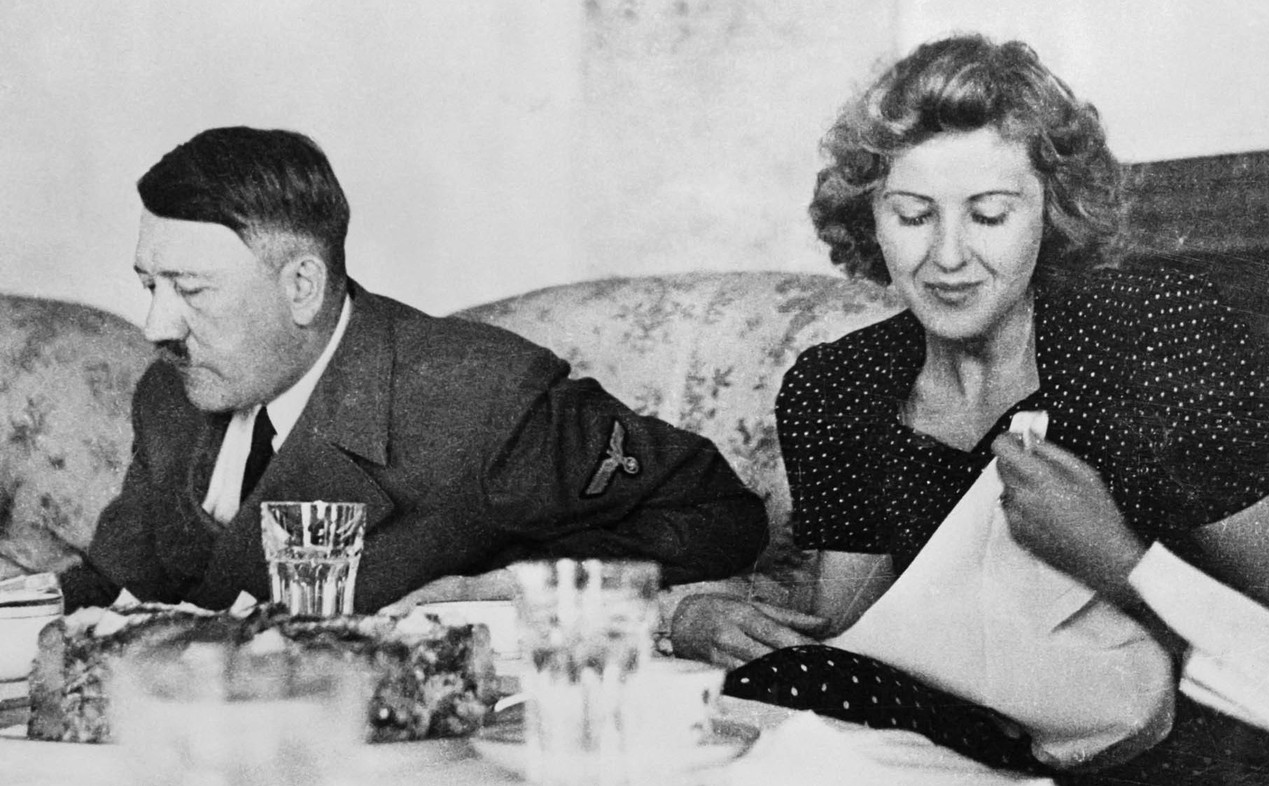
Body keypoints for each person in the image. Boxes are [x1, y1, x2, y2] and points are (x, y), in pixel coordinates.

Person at [671, 35, 1269, 782]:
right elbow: (843, 639)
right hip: (963, 753)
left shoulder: (1153, 338)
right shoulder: (841, 385)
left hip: (1170, 757)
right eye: (914, 215)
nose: (948, 256)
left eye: (989, 214)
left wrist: (1121, 562)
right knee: (758, 707)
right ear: (871, 219)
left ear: (1052, 214)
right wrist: (691, 618)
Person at [58, 126, 768, 615]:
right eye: (148, 285)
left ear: (302, 286)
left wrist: (504, 589)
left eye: (191, 289)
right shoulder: (171, 392)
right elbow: (118, 585)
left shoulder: (481, 401)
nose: (156, 326)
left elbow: (717, 517)